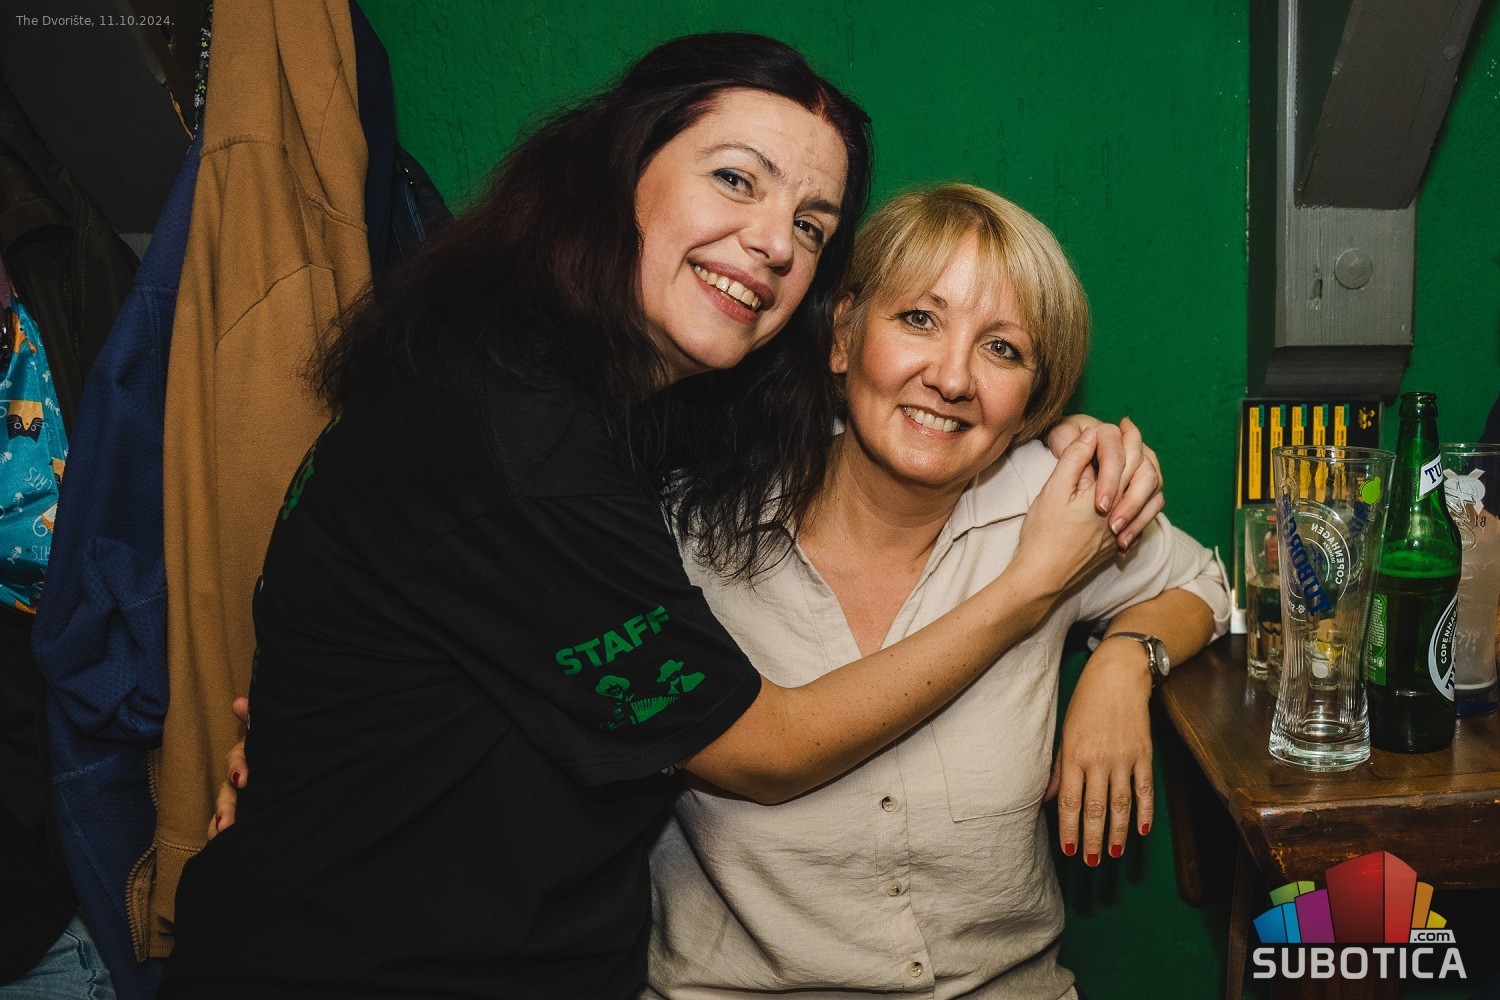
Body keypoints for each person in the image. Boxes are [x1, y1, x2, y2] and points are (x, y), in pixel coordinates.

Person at [164, 35, 1161, 1000]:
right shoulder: (521, 434)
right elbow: (764, 748)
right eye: (735, 178)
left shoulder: (628, 410)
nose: (773, 241)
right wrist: (1033, 587)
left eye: (812, 226)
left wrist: (1039, 445)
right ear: (618, 166)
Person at [644, 184, 1229, 999]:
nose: (953, 378)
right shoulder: (689, 531)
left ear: (1033, 400)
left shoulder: (1050, 507)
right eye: (919, 319)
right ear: (843, 336)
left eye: (1003, 349)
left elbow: (1202, 582)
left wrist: (1126, 661)